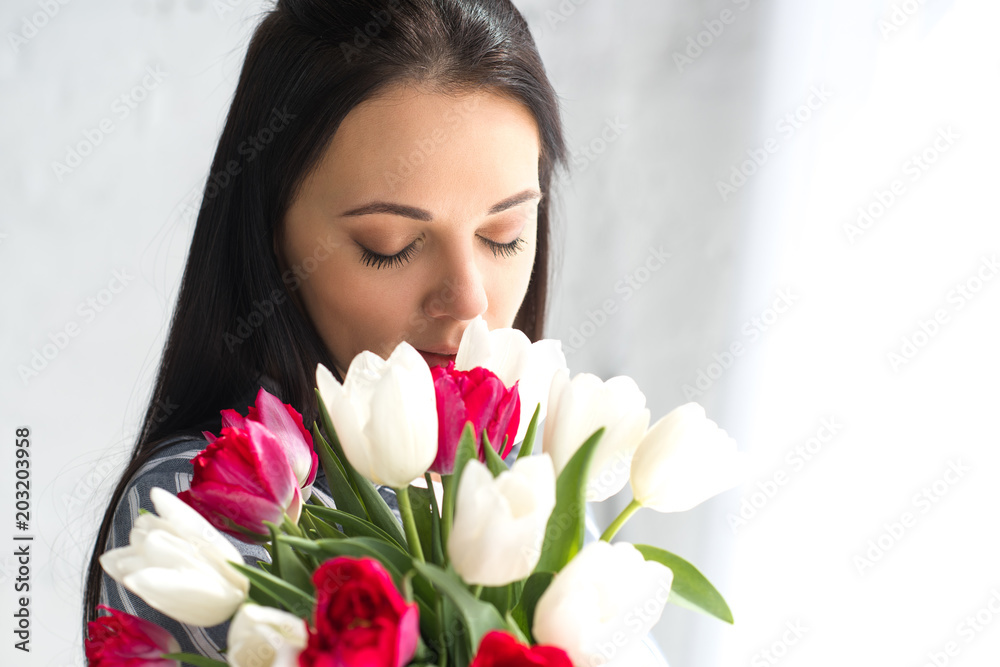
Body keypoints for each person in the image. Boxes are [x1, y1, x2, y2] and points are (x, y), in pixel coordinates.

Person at [83, 1, 669, 663]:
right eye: (388, 246)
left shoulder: (526, 468)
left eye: (504, 236)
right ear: (272, 235)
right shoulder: (200, 502)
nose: (469, 299)